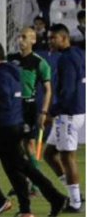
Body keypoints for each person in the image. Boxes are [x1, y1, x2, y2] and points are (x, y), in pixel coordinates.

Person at [0, 41, 66, 217]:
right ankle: (35, 206)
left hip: (4, 128)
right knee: (18, 168)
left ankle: (1, 201)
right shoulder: (11, 70)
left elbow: (5, 98)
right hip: (13, 124)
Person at [43, 24, 85, 213]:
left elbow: (67, 90)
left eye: (53, 38)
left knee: (67, 156)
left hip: (68, 113)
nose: (49, 41)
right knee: (49, 154)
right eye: (49, 38)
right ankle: (74, 191)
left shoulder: (66, 59)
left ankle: (76, 202)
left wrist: (53, 111)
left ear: (64, 38)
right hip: (76, 111)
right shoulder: (78, 53)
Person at [7, 28, 53, 196]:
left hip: (28, 106)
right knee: (15, 148)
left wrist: (44, 112)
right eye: (20, 36)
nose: (21, 40)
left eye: (25, 37)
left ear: (33, 40)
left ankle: (36, 183)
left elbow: (48, 90)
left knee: (29, 145)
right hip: (12, 106)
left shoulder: (39, 62)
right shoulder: (11, 59)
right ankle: (22, 183)